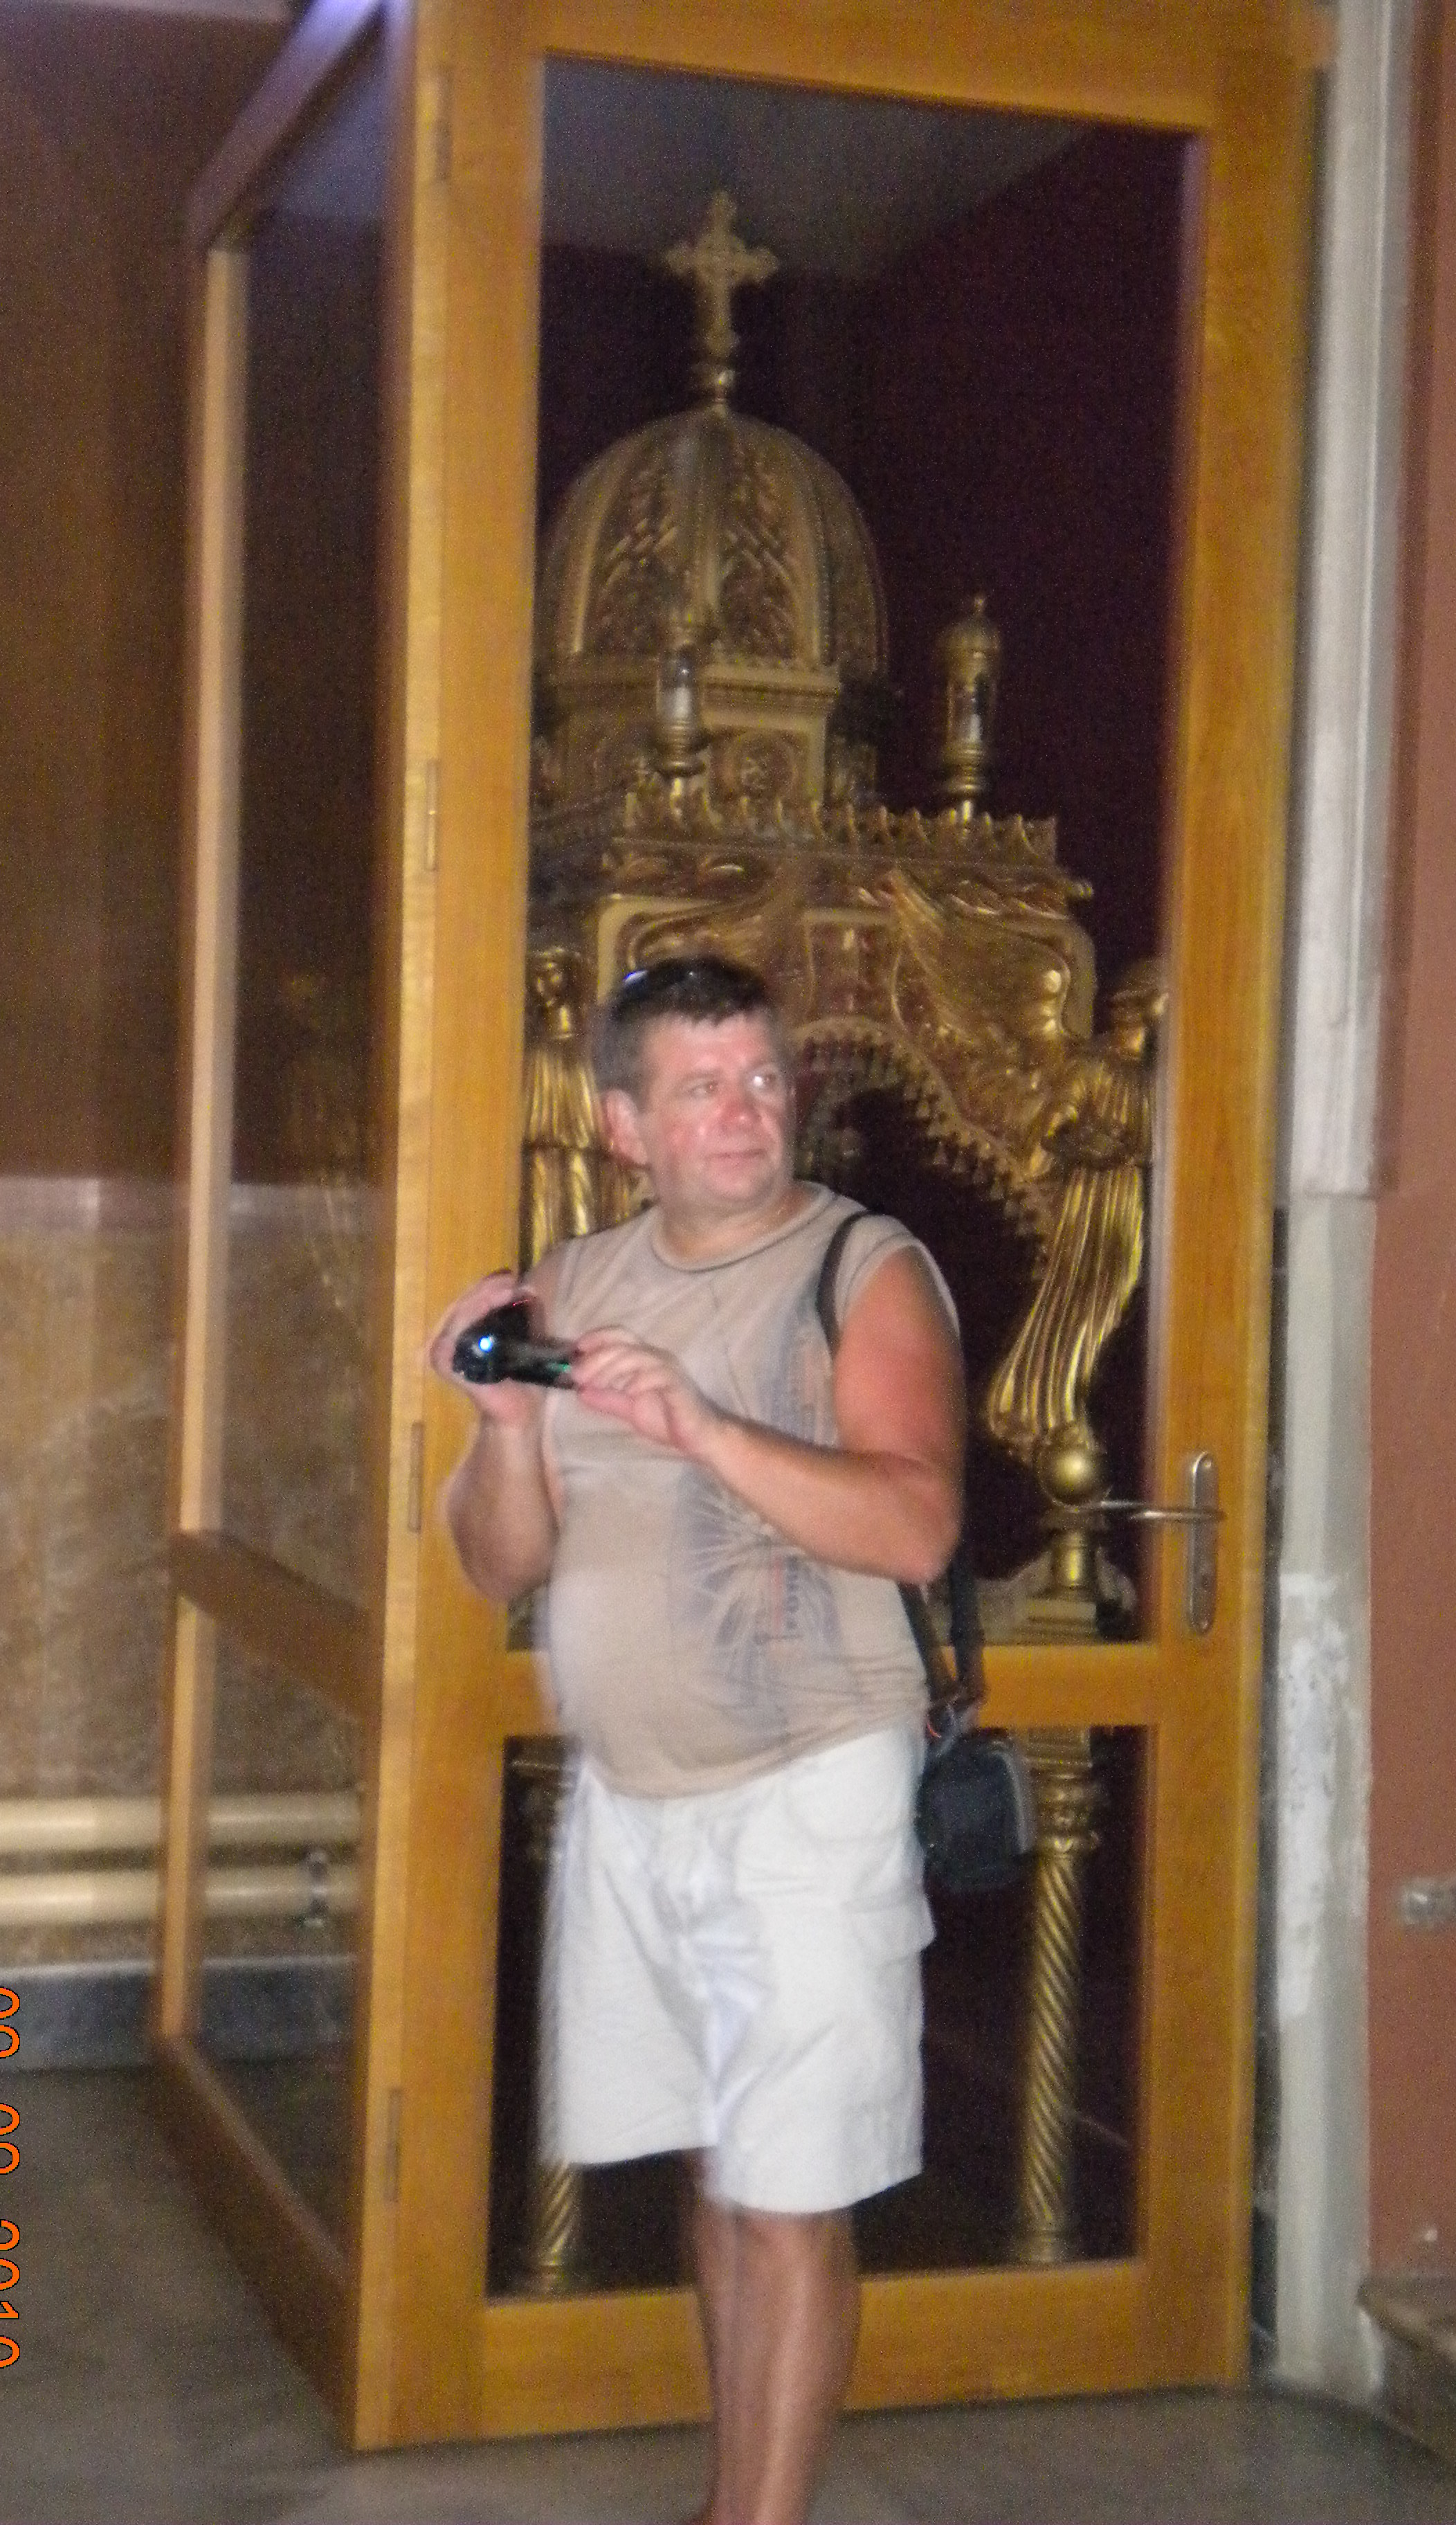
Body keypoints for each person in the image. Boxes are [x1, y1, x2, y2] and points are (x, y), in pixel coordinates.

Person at [429, 954, 965, 2525]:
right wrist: (505, 1428)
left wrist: (707, 1427)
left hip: (810, 1792)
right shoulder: (577, 1280)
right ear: (624, 1127)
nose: (745, 1112)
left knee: (790, 2194)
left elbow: (917, 1525)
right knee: (722, 2175)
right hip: (635, 1801)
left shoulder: (863, 1267)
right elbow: (498, 1564)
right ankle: (736, 2502)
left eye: (764, 1080)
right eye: (702, 1087)